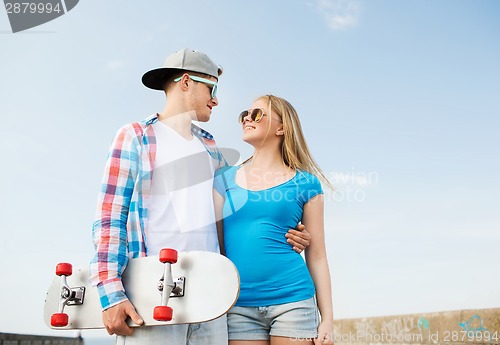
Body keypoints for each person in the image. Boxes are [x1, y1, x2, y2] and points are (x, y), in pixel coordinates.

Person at [89, 49, 312, 344]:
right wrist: (111, 294)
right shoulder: (135, 137)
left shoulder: (211, 149)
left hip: (212, 300)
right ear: (185, 82)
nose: (216, 100)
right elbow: (110, 216)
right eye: (212, 88)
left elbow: (242, 212)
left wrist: (293, 230)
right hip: (153, 298)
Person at [214, 95, 335, 345]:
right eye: (244, 115)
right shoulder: (223, 179)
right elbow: (217, 246)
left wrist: (328, 319)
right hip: (238, 304)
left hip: (294, 301)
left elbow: (317, 254)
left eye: (257, 114)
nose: (247, 118)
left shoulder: (307, 183)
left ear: (282, 127)